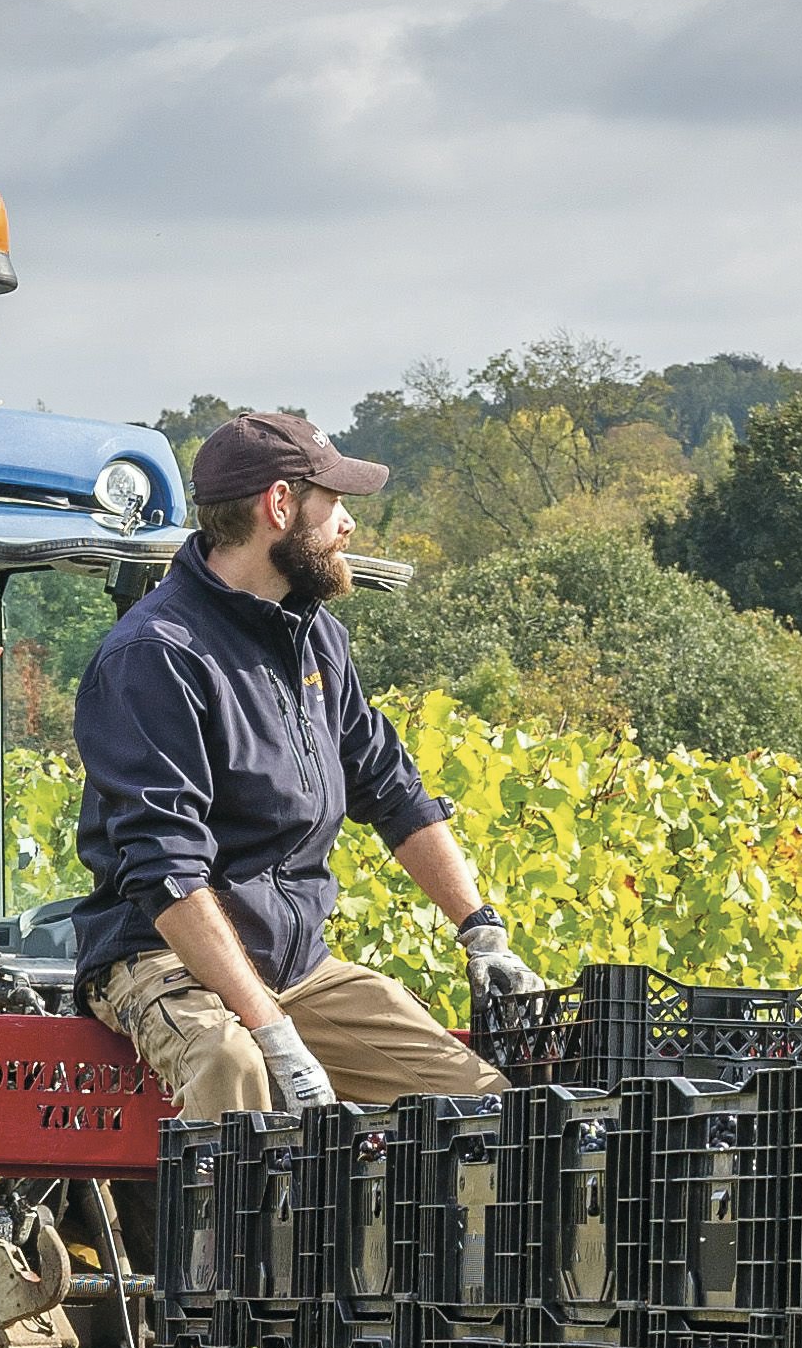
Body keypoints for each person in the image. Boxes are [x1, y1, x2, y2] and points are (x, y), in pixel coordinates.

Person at [71, 409, 541, 1117]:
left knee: (480, 1107)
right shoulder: (157, 656)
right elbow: (167, 870)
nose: (348, 524)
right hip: (164, 963)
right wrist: (270, 1031)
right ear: (280, 506)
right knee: (236, 1071)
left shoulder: (316, 637)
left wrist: (482, 931)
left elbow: (391, 788)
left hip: (297, 968)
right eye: (335, 503)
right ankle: (225, 1232)